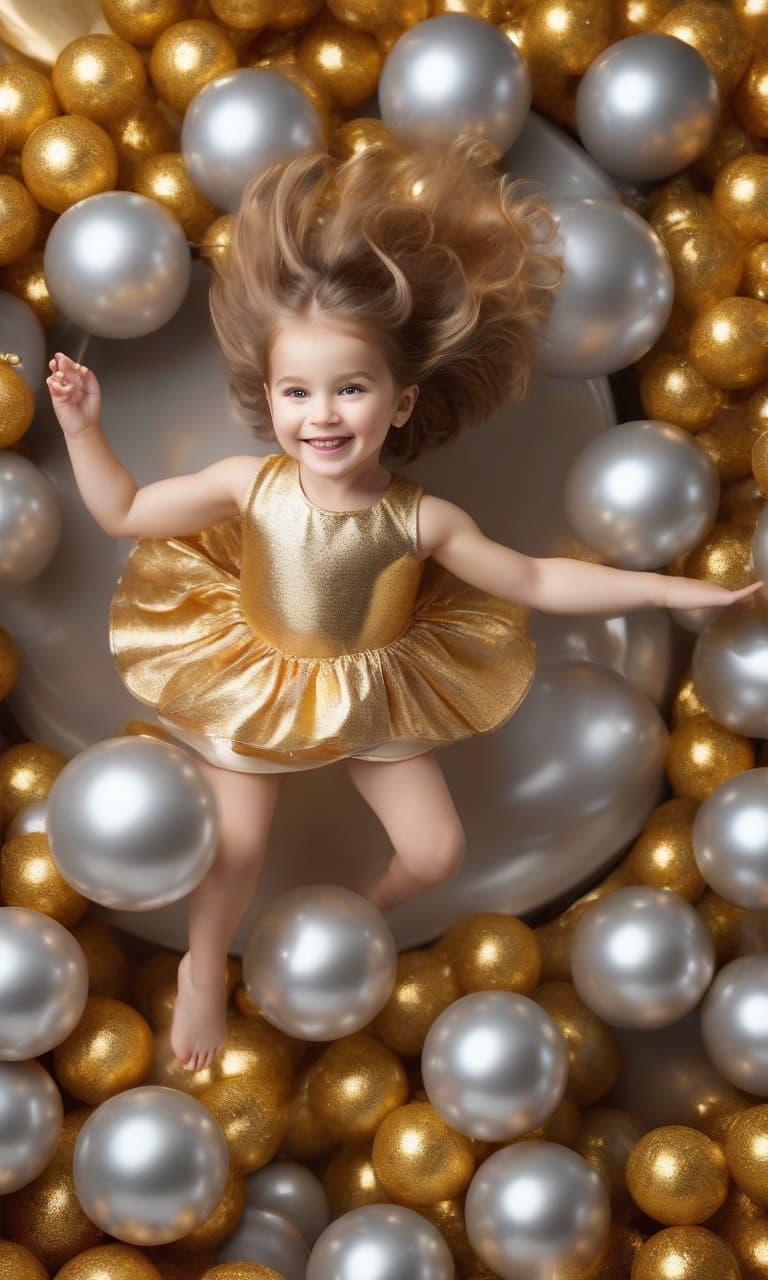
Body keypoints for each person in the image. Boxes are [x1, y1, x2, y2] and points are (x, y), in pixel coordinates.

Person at [47, 133, 760, 1073]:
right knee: (235, 854)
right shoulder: (248, 484)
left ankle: (360, 913)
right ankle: (207, 971)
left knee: (437, 851)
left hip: (376, 689)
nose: (323, 415)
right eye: (298, 392)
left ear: (402, 401)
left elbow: (540, 582)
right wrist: (84, 430)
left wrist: (680, 588)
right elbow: (126, 511)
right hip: (260, 678)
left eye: (350, 389)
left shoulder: (421, 519)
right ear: (269, 396)